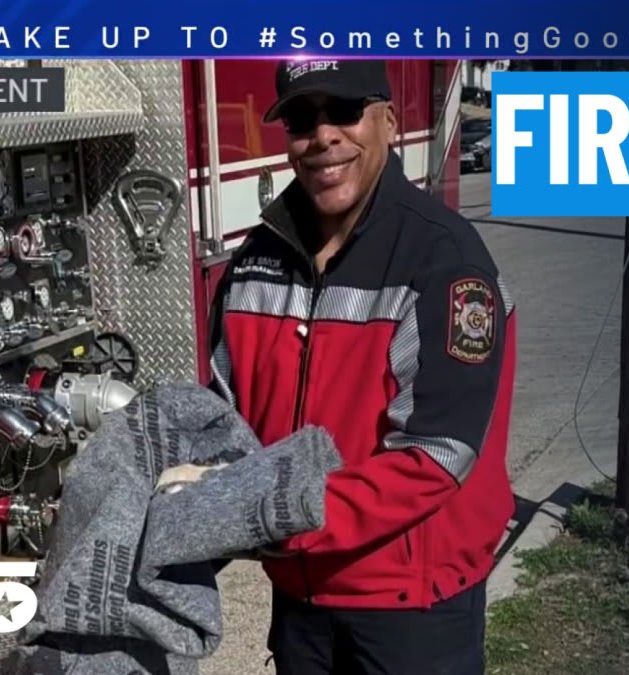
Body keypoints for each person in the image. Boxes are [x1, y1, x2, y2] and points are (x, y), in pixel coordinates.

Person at [205, 59, 517, 674]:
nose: (323, 137)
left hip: (411, 610)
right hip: (301, 599)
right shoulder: (254, 261)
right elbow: (220, 413)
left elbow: (436, 457)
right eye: (302, 120)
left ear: (389, 123)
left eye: (344, 112)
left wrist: (275, 518)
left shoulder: (444, 262)